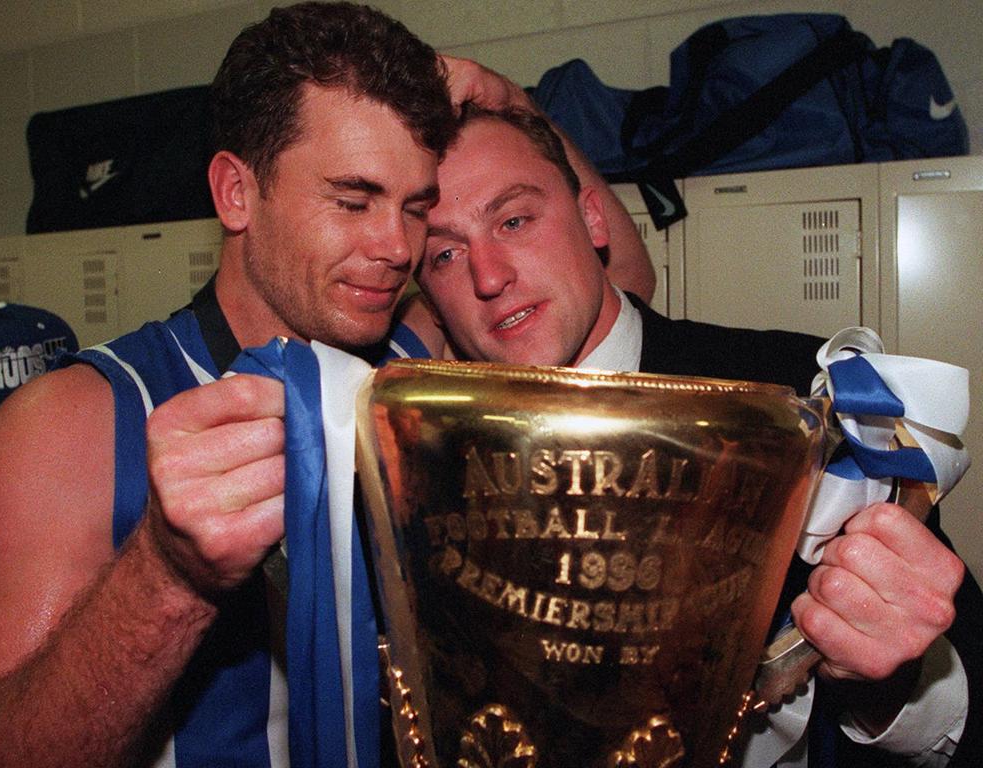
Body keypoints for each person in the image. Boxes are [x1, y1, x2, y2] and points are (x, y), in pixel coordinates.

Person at [403, 102, 982, 766]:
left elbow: (964, 716)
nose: (489, 276)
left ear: (594, 218)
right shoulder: (423, 462)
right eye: (445, 253)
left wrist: (892, 684)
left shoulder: (797, 402)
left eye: (514, 219)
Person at [0, 4, 460, 767]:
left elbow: (598, 290)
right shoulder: (69, 428)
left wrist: (512, 109)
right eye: (353, 201)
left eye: (415, 208)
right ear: (235, 193)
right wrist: (167, 573)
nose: (396, 247)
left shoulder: (416, 362)